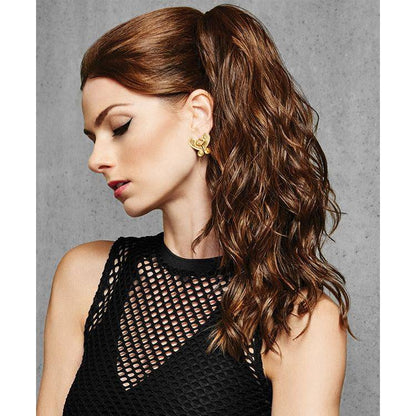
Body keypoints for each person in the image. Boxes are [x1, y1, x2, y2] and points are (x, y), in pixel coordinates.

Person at [37, 4, 356, 415]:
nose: (96, 160)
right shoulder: (84, 278)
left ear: (198, 116)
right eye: (92, 138)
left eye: (118, 127)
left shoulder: (297, 321)